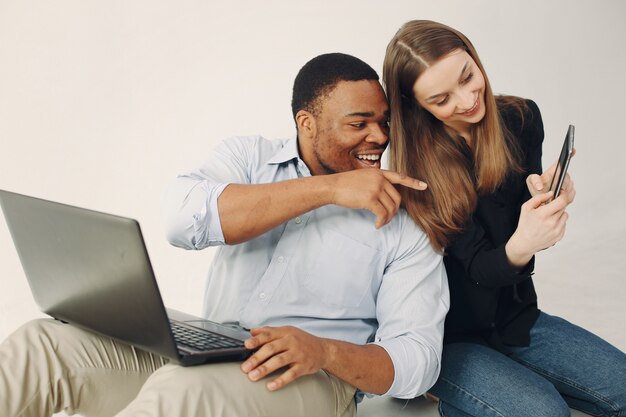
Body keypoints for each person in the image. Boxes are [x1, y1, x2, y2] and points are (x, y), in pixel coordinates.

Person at [0, 53, 450, 417]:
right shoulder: (248, 158)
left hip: (310, 378)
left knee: (183, 392)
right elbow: (181, 220)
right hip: (214, 346)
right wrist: (329, 189)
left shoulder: (409, 221)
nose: (379, 137)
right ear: (306, 123)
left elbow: (418, 361)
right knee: (42, 345)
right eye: (359, 123)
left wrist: (325, 352)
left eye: (383, 122)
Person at [382, 20, 626, 417]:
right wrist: (523, 243)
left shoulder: (521, 117)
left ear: (475, 58)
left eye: (467, 76)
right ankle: (449, 390)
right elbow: (476, 265)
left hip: (517, 318)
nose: (465, 101)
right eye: (441, 99)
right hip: (450, 337)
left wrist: (543, 198)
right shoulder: (418, 168)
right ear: (417, 106)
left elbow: (523, 234)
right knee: (546, 412)